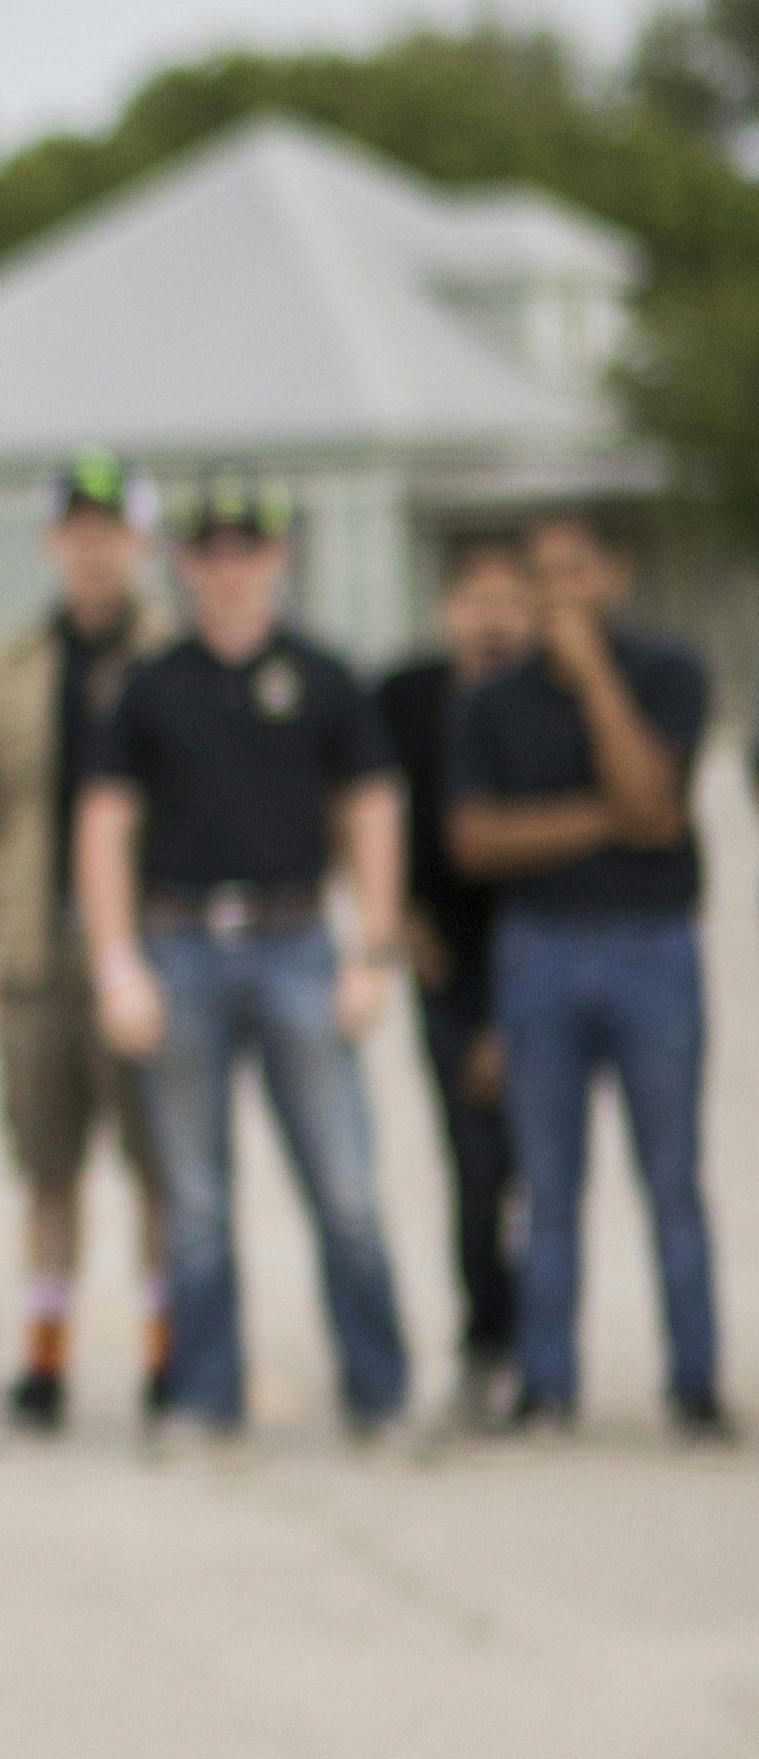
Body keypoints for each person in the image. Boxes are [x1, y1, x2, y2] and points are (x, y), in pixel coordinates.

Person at [73, 478, 410, 1443]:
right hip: (181, 946)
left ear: (277, 558)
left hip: (298, 942)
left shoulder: (324, 675)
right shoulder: (150, 683)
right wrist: (115, 962)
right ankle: (205, 1398)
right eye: (211, 550)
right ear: (185, 564)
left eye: (248, 548)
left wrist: (373, 948)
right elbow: (105, 825)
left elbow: (373, 809)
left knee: (344, 1188)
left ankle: (379, 1394)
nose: (229, 568)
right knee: (195, 1201)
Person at [446, 508, 725, 1439]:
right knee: (548, 1184)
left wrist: (594, 677)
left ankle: (692, 1383)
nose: (557, 594)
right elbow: (477, 838)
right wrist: (606, 820)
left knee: (671, 1176)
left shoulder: (666, 674)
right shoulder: (490, 702)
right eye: (540, 577)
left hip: (652, 946)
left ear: (613, 574)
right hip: (541, 951)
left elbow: (658, 801)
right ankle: (546, 1382)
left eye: (574, 573)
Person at [0, 456, 168, 1433]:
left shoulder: (175, 655)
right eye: (76, 532)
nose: (93, 549)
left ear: (139, 542)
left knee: (159, 1165)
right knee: (45, 1163)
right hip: (34, 942)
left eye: (110, 530)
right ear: (52, 544)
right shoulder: (9, 664)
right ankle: (44, 1360)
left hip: (146, 945)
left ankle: (168, 1355)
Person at [375, 531, 534, 1421]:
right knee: (474, 1165)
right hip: (449, 960)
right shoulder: (406, 697)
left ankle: (542, 1353)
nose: (493, 619)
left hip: (542, 955)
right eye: (477, 601)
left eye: (510, 601)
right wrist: (394, 915)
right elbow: (362, 807)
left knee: (541, 1164)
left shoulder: (549, 699)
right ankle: (486, 1339)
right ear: (447, 611)